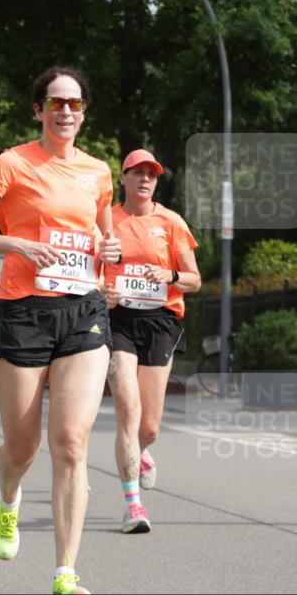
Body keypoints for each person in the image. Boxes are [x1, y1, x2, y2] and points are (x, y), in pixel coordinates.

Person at [0, 65, 122, 595]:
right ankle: (7, 501)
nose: (65, 111)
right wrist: (16, 245)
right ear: (38, 109)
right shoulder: (9, 164)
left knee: (71, 443)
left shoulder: (99, 172)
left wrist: (110, 251)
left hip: (83, 312)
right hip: (21, 313)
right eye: (55, 102)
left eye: (74, 103)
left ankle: (67, 575)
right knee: (23, 448)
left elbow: (100, 233)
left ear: (84, 110)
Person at [102, 150, 200, 533]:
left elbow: (194, 279)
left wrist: (169, 275)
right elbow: (90, 269)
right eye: (137, 173)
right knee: (128, 408)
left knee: (150, 425)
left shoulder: (171, 222)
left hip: (161, 321)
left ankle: (141, 452)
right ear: (123, 177)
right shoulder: (107, 220)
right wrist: (102, 292)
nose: (145, 179)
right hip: (118, 319)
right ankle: (133, 506)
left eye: (151, 174)